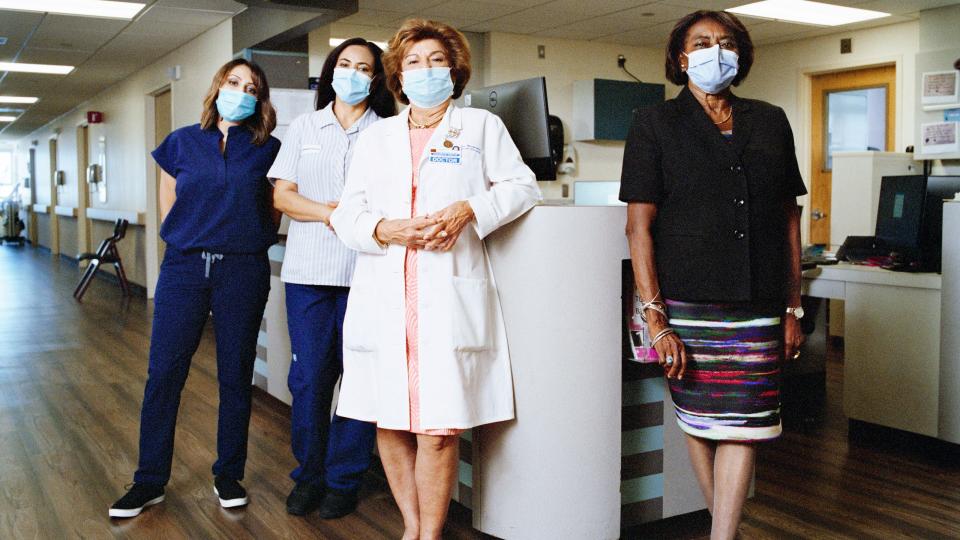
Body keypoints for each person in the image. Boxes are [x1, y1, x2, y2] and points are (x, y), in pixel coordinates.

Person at [330, 19, 541, 540]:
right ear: (399, 74)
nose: (426, 71)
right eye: (414, 62)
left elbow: (522, 187)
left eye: (436, 61)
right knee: (388, 420)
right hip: (384, 295)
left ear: (455, 70)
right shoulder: (377, 138)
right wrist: (383, 227)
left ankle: (431, 533)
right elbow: (345, 213)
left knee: (439, 430)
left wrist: (471, 208)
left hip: (448, 294)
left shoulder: (481, 129)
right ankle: (412, 527)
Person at [620, 10, 806, 540]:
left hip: (757, 301)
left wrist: (793, 307)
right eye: (701, 43)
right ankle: (726, 531)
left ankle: (722, 535)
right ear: (681, 58)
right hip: (686, 302)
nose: (714, 50)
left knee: (744, 427)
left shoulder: (769, 119)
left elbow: (788, 219)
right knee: (699, 422)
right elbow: (639, 228)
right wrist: (656, 318)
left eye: (725, 42)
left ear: (741, 56)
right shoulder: (653, 123)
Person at [110, 59, 280, 518]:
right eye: (234, 82)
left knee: (234, 376)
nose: (241, 91)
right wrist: (195, 238)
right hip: (185, 269)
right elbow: (169, 208)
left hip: (242, 271)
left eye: (251, 87)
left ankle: (228, 474)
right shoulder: (181, 142)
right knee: (164, 374)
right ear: (218, 86)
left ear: (259, 99)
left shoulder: (269, 149)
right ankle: (149, 481)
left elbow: (273, 210)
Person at [267, 38, 396, 519]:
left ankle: (345, 478)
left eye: (365, 67)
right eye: (345, 64)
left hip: (369, 274)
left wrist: (334, 215)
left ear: (377, 79)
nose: (354, 73)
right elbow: (283, 198)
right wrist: (334, 214)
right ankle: (310, 475)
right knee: (311, 379)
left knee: (361, 381)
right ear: (331, 71)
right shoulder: (304, 127)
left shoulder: (388, 133)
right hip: (309, 275)